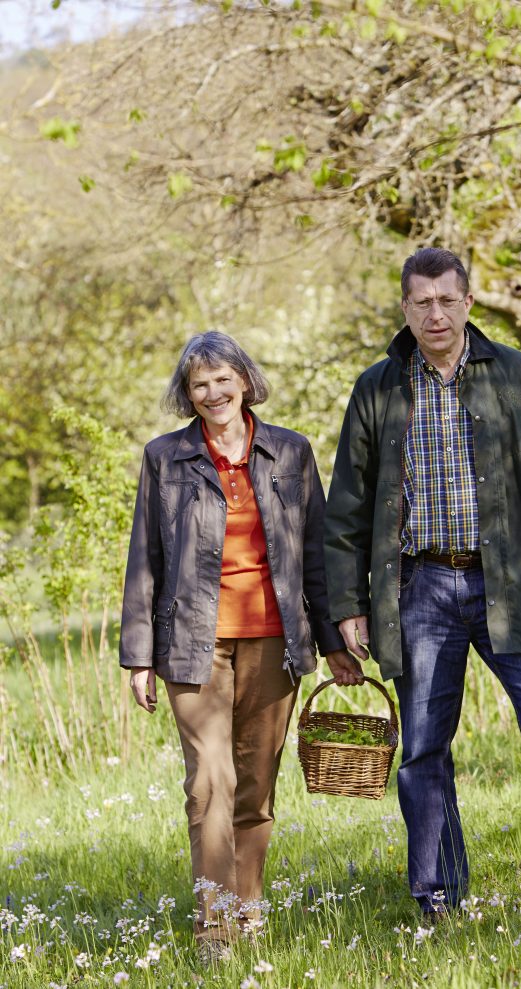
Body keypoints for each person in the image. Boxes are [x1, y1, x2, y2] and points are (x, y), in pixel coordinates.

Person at [324, 247, 521, 920]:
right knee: (425, 747)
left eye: (446, 299)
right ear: (404, 309)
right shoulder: (377, 388)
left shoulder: (517, 375)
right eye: (421, 302)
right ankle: (438, 893)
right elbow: (346, 506)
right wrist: (347, 605)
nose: (434, 313)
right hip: (420, 589)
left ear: (468, 302)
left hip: (517, 580)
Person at [120, 331, 361, 964]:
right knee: (209, 783)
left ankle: (249, 913)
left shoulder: (291, 452)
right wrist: (138, 656)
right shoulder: (164, 458)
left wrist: (335, 640)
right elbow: (143, 559)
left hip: (275, 641)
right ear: (187, 395)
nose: (213, 393)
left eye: (223, 379)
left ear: (245, 381)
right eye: (199, 384)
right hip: (190, 643)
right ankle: (215, 930)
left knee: (255, 786)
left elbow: (317, 556)